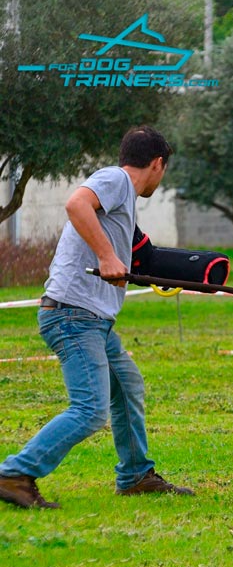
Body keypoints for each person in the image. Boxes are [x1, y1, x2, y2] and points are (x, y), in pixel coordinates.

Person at [0, 126, 194, 509]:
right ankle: (14, 474)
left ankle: (136, 475)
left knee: (127, 388)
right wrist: (107, 256)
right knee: (90, 410)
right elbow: (75, 204)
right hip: (73, 315)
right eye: (163, 169)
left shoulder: (121, 193)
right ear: (157, 164)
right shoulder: (116, 179)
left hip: (93, 318)